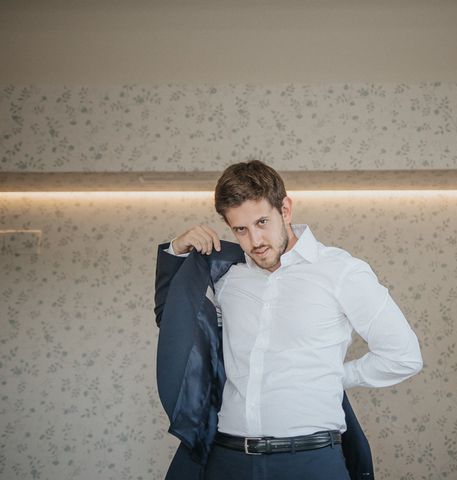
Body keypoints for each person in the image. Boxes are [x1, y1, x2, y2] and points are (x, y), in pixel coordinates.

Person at [156, 160, 423, 480]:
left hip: (310, 462)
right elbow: (172, 321)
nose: (254, 240)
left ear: (286, 209)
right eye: (241, 229)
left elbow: (403, 356)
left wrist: (337, 376)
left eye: (262, 222)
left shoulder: (341, 271)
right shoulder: (228, 275)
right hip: (227, 461)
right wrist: (177, 251)